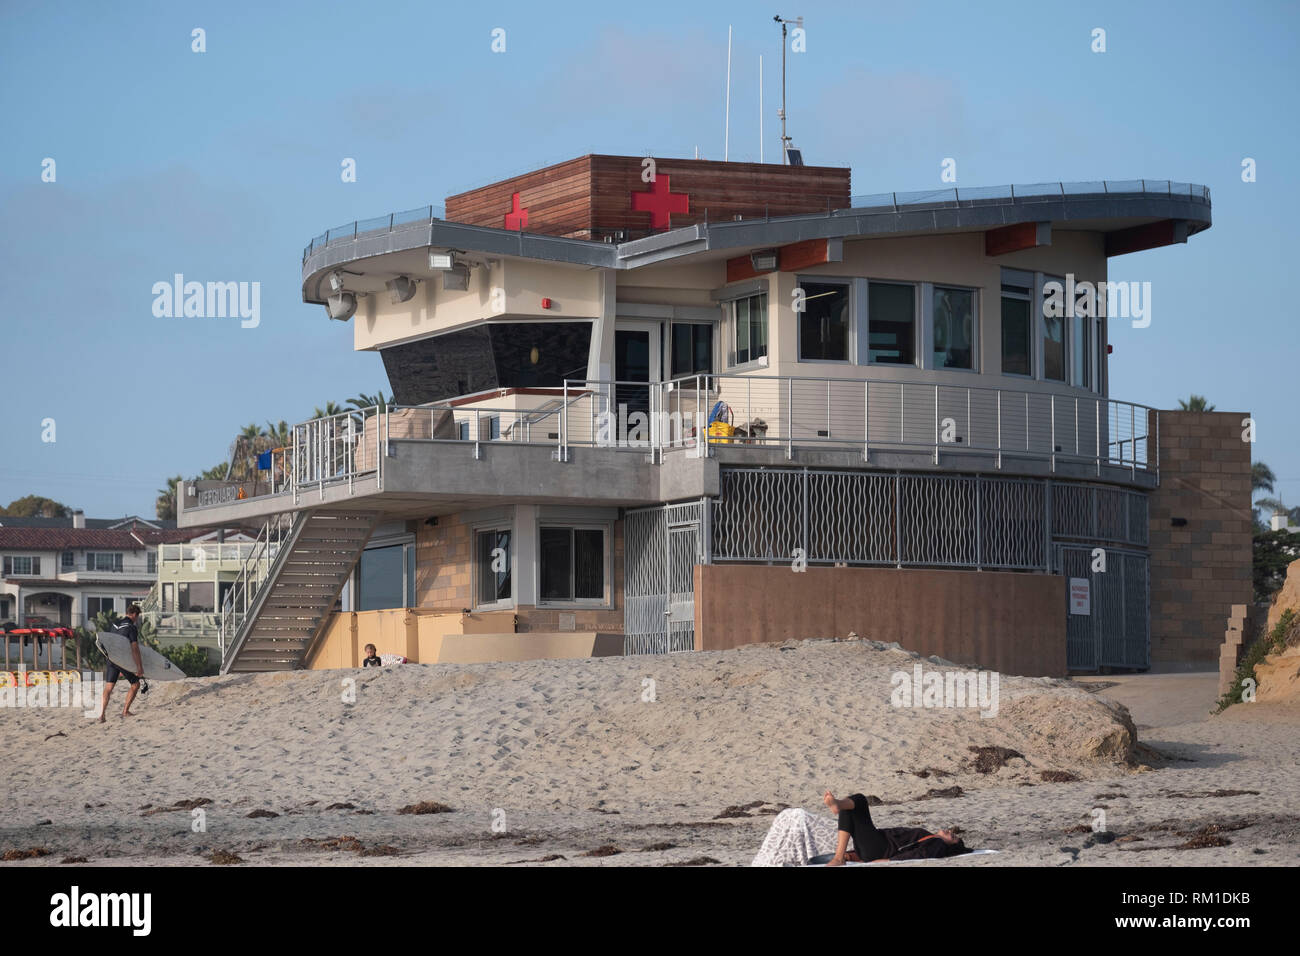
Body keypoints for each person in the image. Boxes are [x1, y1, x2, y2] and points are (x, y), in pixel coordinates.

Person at [751, 789, 971, 866]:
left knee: (860, 801)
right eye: (952, 834)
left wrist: (883, 862)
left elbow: (914, 855)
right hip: (875, 843)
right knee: (851, 807)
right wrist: (854, 856)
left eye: (953, 838)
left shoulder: (935, 844)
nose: (951, 833)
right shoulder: (930, 836)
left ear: (950, 845)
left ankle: (837, 856)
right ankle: (838, 808)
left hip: (879, 849)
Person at [99, 605, 145, 723]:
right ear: (134, 614)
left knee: (109, 687)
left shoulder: (114, 625)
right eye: (137, 616)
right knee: (135, 684)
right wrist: (139, 667)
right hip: (122, 660)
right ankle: (125, 711)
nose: (137, 619)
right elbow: (134, 648)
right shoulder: (131, 627)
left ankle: (102, 714)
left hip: (111, 658)